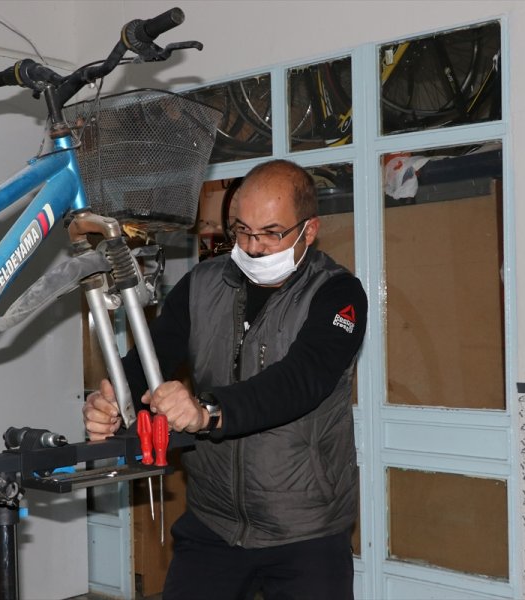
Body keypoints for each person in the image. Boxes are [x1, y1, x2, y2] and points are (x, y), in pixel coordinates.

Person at [83, 159, 367, 600]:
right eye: (242, 231)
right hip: (213, 523)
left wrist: (208, 412)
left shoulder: (338, 295)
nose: (253, 247)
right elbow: (149, 361)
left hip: (305, 530)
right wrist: (114, 402)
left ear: (309, 230)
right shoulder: (202, 284)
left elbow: (299, 382)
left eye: (271, 233)